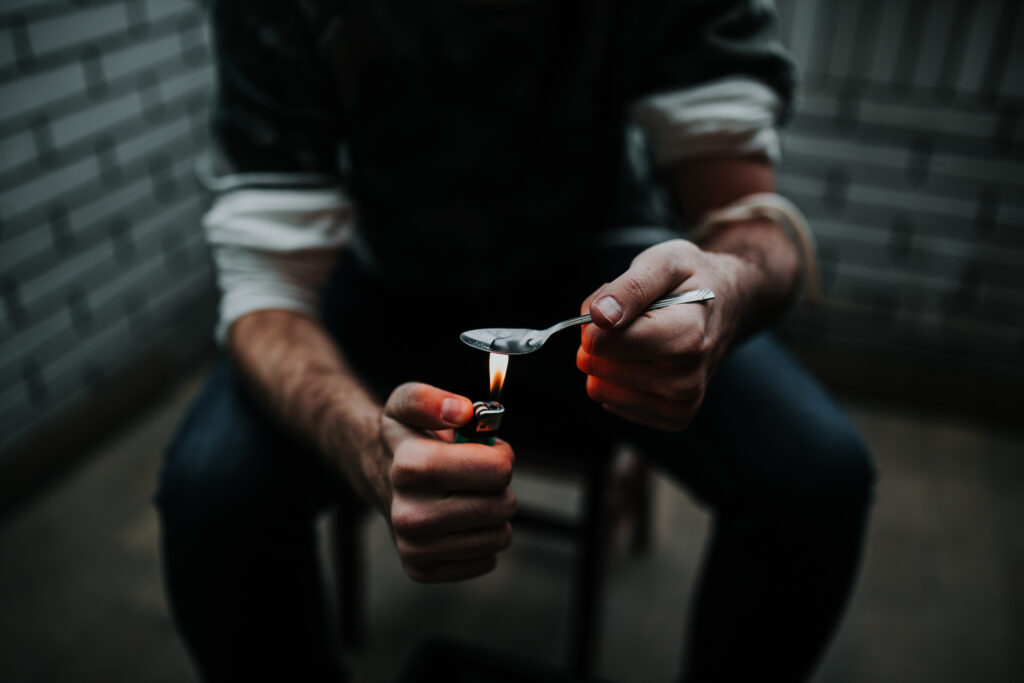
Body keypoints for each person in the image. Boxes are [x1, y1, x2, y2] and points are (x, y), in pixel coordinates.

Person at [156, 0, 876, 680]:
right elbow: (266, 294)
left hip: (597, 272)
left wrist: (722, 289)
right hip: (376, 276)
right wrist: (361, 443)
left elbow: (750, 217)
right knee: (210, 493)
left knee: (818, 475)